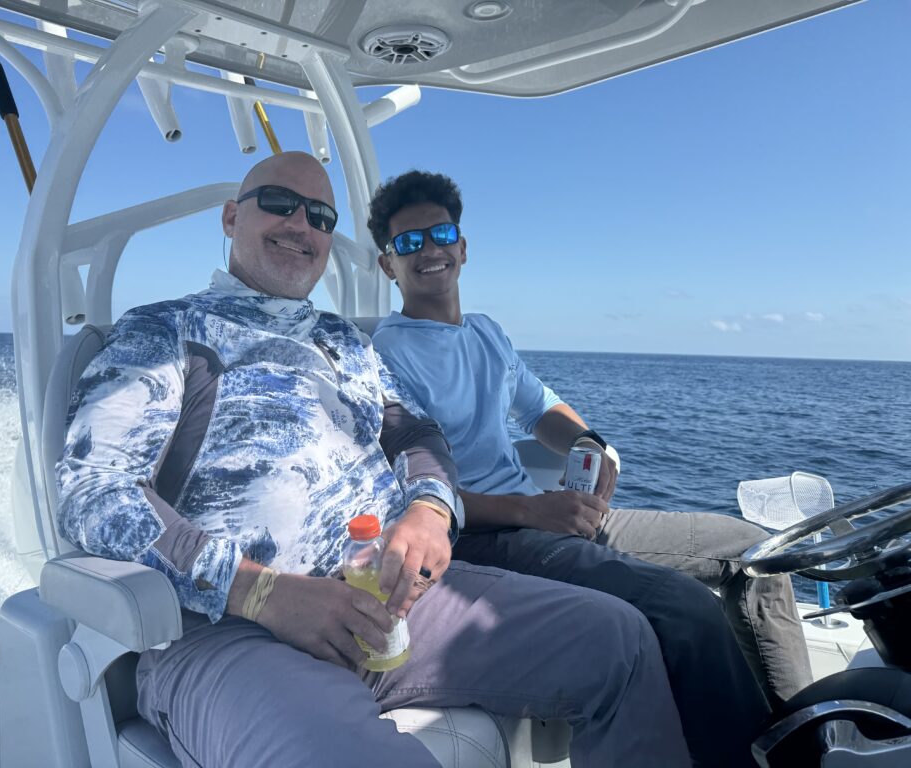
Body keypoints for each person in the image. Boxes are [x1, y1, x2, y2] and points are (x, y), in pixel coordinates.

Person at [56, 152, 691, 768]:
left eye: (320, 216)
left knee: (621, 639)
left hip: (389, 598)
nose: (301, 225)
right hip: (231, 628)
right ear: (231, 217)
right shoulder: (164, 332)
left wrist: (430, 510)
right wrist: (262, 592)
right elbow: (94, 489)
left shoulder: (343, 342)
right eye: (279, 203)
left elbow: (415, 435)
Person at [369, 171, 813, 716]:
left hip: (546, 515)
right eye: (408, 242)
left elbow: (540, 408)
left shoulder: (486, 332)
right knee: (685, 606)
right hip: (484, 537)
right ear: (387, 264)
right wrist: (531, 512)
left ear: (462, 247)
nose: (429, 250)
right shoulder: (385, 355)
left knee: (758, 552)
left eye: (440, 234)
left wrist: (589, 442)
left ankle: (804, 729)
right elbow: (409, 492)